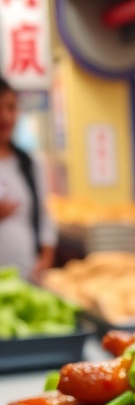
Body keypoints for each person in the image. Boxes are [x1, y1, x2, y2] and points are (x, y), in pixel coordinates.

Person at [0, 77, 56, 282]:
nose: (5, 117)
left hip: (26, 277)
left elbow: (44, 217)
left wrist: (45, 259)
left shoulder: (30, 164)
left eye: (11, 107)